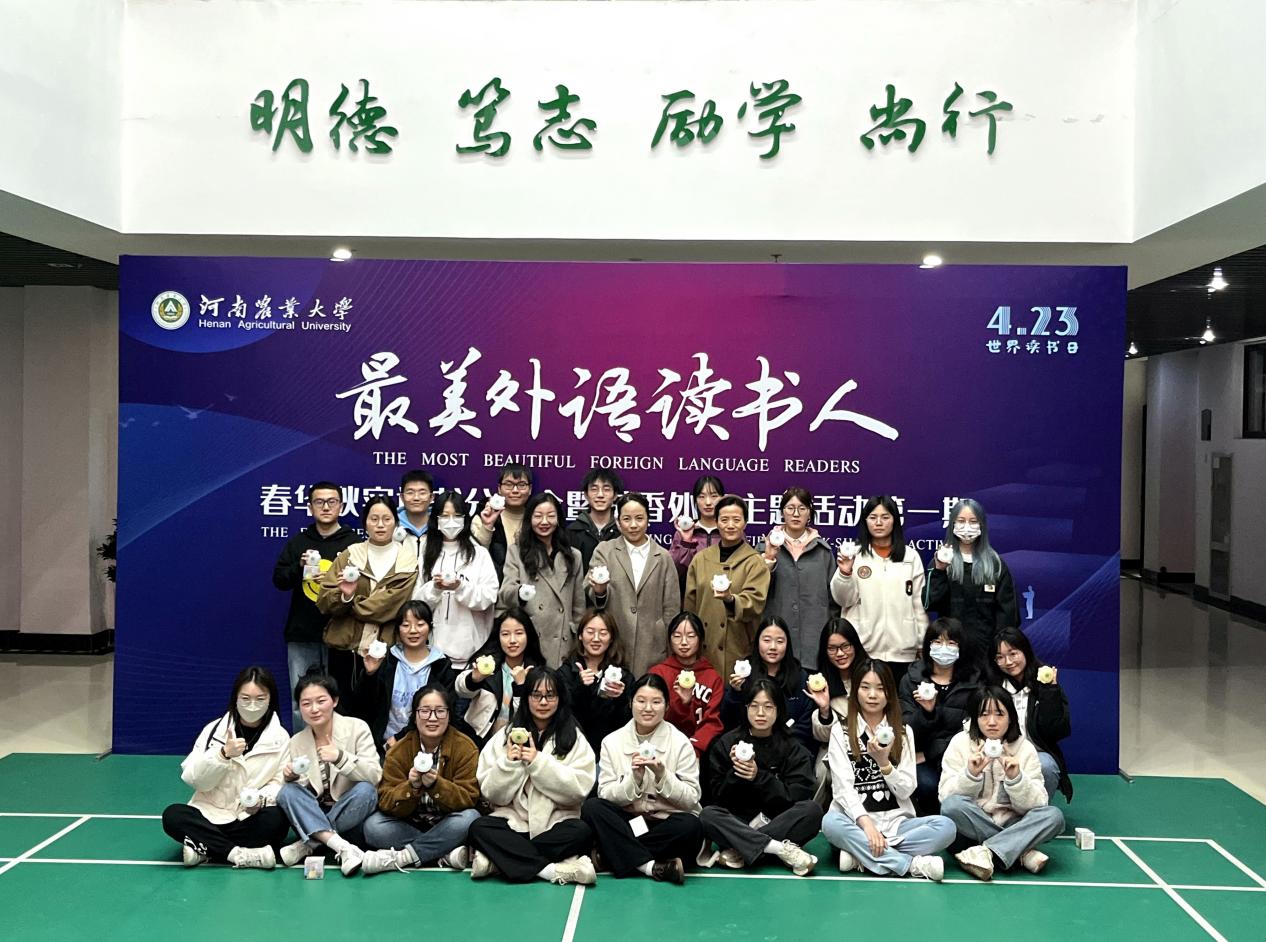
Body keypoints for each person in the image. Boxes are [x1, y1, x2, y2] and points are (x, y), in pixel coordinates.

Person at [822, 660, 954, 881]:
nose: (872, 695)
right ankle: (910, 865)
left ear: (890, 693)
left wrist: (884, 764)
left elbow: (906, 790)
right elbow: (843, 788)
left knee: (946, 827)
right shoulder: (841, 731)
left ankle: (862, 856)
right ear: (855, 692)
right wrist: (867, 826)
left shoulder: (903, 732)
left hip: (897, 825)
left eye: (880, 688)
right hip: (856, 824)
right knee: (830, 823)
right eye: (865, 687)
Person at [468, 667, 598, 884]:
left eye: (550, 696)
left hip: (555, 826)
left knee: (581, 831)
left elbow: (578, 791)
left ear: (560, 699)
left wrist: (538, 762)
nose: (543, 702)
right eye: (536, 695)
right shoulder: (505, 736)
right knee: (479, 828)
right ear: (526, 698)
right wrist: (509, 764)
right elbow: (491, 794)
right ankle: (551, 871)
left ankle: (500, 862)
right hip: (515, 825)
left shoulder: (573, 738)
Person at [161, 666, 290, 869]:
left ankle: (204, 849)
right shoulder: (213, 730)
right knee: (173, 816)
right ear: (235, 699)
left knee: (277, 820)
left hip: (247, 817)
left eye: (260, 699)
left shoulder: (281, 738)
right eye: (245, 699)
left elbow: (279, 782)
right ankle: (238, 855)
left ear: (270, 700)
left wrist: (260, 799)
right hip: (209, 814)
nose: (252, 706)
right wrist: (222, 755)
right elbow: (195, 779)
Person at [581, 674, 703, 883]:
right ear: (631, 703)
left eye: (656, 702)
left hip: (664, 824)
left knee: (691, 826)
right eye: (641, 701)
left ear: (666, 706)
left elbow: (692, 798)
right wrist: (634, 780)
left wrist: (662, 776)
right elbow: (605, 794)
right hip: (629, 822)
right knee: (593, 808)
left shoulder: (680, 742)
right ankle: (652, 867)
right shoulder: (612, 741)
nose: (648, 708)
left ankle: (611, 856)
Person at [939, 685, 1065, 880]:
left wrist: (1016, 779)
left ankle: (984, 851)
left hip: (1013, 821)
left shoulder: (1025, 748)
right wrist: (971, 774)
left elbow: (1039, 803)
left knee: (1054, 816)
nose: (991, 722)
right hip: (972, 826)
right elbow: (945, 796)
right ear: (975, 718)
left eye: (999, 714)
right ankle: (1020, 851)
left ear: (1011, 717)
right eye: (984, 715)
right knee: (951, 806)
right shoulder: (960, 743)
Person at [700, 679, 822, 875]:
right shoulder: (727, 743)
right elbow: (717, 797)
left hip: (777, 822)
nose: (760, 713)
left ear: (778, 710)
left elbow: (796, 796)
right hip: (738, 821)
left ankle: (741, 850)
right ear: (746, 708)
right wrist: (736, 772)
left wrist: (759, 777)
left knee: (813, 811)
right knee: (707, 815)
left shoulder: (792, 747)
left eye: (768, 707)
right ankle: (778, 849)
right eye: (754, 706)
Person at [360, 684, 481, 874]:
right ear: (415, 716)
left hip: (448, 821)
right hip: (410, 823)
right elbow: (385, 801)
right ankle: (443, 852)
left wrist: (436, 785)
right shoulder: (399, 750)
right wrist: (412, 787)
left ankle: (403, 857)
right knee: (373, 827)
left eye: (440, 711)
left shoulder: (465, 747)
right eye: (425, 711)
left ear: (449, 715)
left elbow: (469, 798)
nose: (432, 718)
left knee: (470, 818)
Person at [272, 481, 359, 729]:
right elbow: (279, 580)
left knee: (340, 698)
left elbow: (365, 587)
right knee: (302, 699)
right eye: (319, 502)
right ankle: (303, 749)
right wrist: (299, 568)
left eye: (332, 501)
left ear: (341, 506)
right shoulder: (299, 542)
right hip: (303, 633)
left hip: (341, 634)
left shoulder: (353, 544)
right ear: (310, 507)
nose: (326, 507)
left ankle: (336, 748)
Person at [275, 673, 383, 876]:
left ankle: (311, 843)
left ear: (335, 701)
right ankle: (342, 847)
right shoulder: (297, 741)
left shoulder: (357, 727)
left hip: (349, 809)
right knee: (287, 792)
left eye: (321, 701)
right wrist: (293, 777)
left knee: (366, 790)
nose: (314, 709)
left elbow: (374, 775)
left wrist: (340, 757)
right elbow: (305, 793)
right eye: (306, 703)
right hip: (315, 810)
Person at [317, 496, 419, 694]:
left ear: (396, 523)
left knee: (379, 707)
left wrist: (351, 603)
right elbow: (324, 601)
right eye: (374, 519)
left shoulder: (407, 561)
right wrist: (344, 597)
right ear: (365, 523)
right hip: (344, 649)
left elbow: (390, 607)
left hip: (386, 651)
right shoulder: (350, 555)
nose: (380, 525)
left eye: (387, 519)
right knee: (341, 708)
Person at [831, 495, 928, 680]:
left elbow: (918, 604)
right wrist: (845, 573)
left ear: (894, 520)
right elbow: (843, 600)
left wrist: (922, 642)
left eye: (885, 517)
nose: (878, 523)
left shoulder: (910, 557)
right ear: (865, 521)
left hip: (903, 651)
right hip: (863, 648)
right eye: (873, 517)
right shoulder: (854, 555)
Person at [587, 492, 679, 675]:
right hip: (613, 642)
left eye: (639, 518)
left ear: (648, 520)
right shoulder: (604, 551)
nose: (633, 525)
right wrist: (600, 591)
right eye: (627, 519)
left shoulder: (663, 557)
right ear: (618, 522)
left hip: (652, 644)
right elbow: (589, 591)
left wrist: (668, 643)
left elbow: (672, 607)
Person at [350, 601, 457, 753]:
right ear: (398, 629)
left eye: (420, 624)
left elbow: (445, 710)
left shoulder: (441, 666)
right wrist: (370, 674)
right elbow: (363, 705)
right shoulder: (387, 660)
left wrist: (401, 737)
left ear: (430, 627)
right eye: (406, 625)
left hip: (425, 745)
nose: (413, 630)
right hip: (384, 744)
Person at [898, 618, 981, 813]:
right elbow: (904, 729)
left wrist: (930, 754)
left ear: (961, 648)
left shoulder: (975, 682)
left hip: (960, 756)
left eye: (951, 643)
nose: (944, 648)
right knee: (927, 784)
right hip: (919, 758)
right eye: (937, 642)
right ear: (928, 646)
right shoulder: (911, 680)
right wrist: (926, 713)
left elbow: (973, 729)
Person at [684, 495, 769, 678]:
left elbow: (755, 603)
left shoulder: (755, 562)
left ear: (745, 523)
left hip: (738, 649)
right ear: (716, 522)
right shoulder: (701, 559)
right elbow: (690, 607)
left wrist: (731, 599)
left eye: (736, 520)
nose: (730, 525)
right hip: (705, 648)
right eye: (724, 520)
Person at [924, 498, 1018, 664]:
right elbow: (929, 603)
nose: (967, 526)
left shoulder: (995, 564)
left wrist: (997, 649)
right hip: (950, 653)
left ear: (982, 525)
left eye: (973, 521)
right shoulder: (941, 562)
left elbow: (1008, 615)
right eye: (961, 521)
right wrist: (939, 570)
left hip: (986, 655)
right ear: (952, 524)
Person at [497, 492, 585, 667]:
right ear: (529, 519)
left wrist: (576, 633)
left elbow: (579, 605)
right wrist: (520, 593)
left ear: (558, 519)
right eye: (538, 516)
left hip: (563, 640)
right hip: (531, 637)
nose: (544, 522)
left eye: (551, 516)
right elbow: (506, 592)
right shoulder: (517, 551)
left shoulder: (574, 555)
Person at [413, 489, 498, 668]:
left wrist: (460, 587)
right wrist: (435, 588)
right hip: (433, 654)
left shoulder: (479, 554)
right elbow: (416, 605)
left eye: (457, 516)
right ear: (436, 519)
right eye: (445, 516)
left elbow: (489, 597)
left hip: (472, 654)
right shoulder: (426, 554)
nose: (451, 522)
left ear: (465, 519)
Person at [990, 627, 1073, 801]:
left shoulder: (1045, 683)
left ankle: (1037, 810)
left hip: (1036, 753)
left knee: (1047, 766)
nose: (1008, 662)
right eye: (1000, 657)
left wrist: (1050, 692)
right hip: (999, 752)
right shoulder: (992, 686)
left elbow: (1057, 731)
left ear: (1025, 651)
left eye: (1013, 654)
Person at [760, 487, 837, 659]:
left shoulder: (823, 552)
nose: (796, 514)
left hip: (814, 643)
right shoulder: (764, 548)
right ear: (782, 512)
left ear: (809, 513)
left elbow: (834, 601)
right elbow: (756, 592)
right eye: (790, 508)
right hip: (775, 644)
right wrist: (769, 559)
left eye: (802, 508)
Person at [719, 617, 815, 753]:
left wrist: (779, 747)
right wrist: (735, 692)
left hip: (789, 751)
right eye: (767, 640)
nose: (773, 647)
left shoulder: (800, 677)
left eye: (780, 641)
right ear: (757, 642)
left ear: (788, 644)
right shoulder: (744, 673)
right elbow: (728, 721)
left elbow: (805, 726)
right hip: (747, 749)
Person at [455, 610, 547, 747]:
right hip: (479, 738)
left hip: (518, 742)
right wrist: (474, 679)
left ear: (528, 635)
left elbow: (529, 715)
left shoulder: (536, 672)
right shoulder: (487, 663)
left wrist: (520, 686)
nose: (512, 640)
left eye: (519, 633)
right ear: (498, 636)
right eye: (505, 634)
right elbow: (461, 691)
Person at [558, 610, 635, 761]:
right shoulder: (566, 672)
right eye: (590, 632)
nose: (596, 638)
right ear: (580, 635)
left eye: (603, 633)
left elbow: (628, 724)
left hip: (611, 756)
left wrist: (619, 699)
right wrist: (581, 687)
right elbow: (562, 715)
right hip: (573, 754)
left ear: (611, 638)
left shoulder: (623, 677)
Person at [649, 612, 724, 760]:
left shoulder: (712, 677)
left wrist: (694, 748)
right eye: (677, 636)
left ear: (700, 639)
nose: (684, 642)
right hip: (660, 749)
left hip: (699, 753)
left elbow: (713, 722)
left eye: (691, 636)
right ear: (669, 639)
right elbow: (650, 715)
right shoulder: (658, 673)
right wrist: (683, 703)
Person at [807, 618, 870, 775]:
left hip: (871, 742)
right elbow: (823, 738)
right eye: (832, 648)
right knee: (822, 773)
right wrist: (824, 710)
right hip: (835, 746)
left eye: (845, 646)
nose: (840, 653)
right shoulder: (819, 682)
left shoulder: (872, 673)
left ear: (855, 645)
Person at [473, 461, 534, 581]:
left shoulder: (538, 519)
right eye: (508, 484)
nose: (515, 490)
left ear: (530, 489)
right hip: (493, 585)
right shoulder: (483, 516)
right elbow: (474, 556)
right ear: (499, 489)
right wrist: (487, 526)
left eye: (521, 485)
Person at [669, 475, 724, 591]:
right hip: (691, 599)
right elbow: (673, 574)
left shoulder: (730, 531)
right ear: (695, 500)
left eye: (714, 496)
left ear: (722, 499)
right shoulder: (683, 532)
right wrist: (686, 543)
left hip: (724, 599)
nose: (708, 502)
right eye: (701, 497)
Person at [565, 467, 623, 570]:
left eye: (606, 489)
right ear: (586, 495)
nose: (600, 495)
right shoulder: (573, 531)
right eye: (594, 489)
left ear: (615, 495)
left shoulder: (622, 530)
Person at [396, 469, 435, 557]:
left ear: (431, 497)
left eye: (422, 493)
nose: (416, 498)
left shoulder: (440, 525)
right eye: (410, 493)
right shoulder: (391, 525)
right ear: (402, 497)